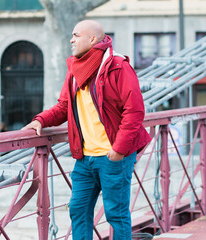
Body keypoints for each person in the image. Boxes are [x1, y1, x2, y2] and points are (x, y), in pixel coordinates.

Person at [22, 20, 151, 240]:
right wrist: (41, 120)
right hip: (85, 158)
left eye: (76, 35)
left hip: (113, 157)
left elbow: (135, 111)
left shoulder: (118, 67)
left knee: (116, 215)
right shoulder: (74, 69)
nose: (71, 40)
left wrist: (119, 149)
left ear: (92, 39)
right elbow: (64, 106)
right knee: (78, 211)